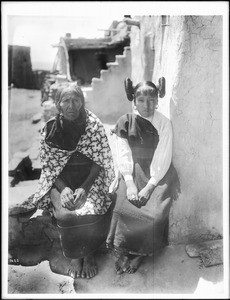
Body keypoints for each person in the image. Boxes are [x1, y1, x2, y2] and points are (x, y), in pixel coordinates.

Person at [13, 81, 115, 279]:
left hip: (89, 180)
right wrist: (65, 188)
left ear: (82, 102)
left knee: (92, 209)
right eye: (65, 100)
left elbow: (100, 160)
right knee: (66, 214)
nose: (71, 105)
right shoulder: (50, 130)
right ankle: (76, 256)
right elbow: (50, 168)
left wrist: (85, 188)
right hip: (60, 181)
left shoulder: (94, 126)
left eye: (76, 100)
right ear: (58, 104)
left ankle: (90, 253)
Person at [106, 77, 180, 274]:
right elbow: (123, 153)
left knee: (154, 213)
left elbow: (163, 155)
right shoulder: (125, 121)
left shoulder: (163, 123)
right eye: (141, 100)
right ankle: (125, 248)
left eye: (152, 100)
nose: (147, 105)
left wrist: (149, 186)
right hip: (132, 169)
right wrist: (129, 183)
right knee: (123, 206)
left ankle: (140, 253)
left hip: (158, 172)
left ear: (157, 101)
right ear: (134, 101)